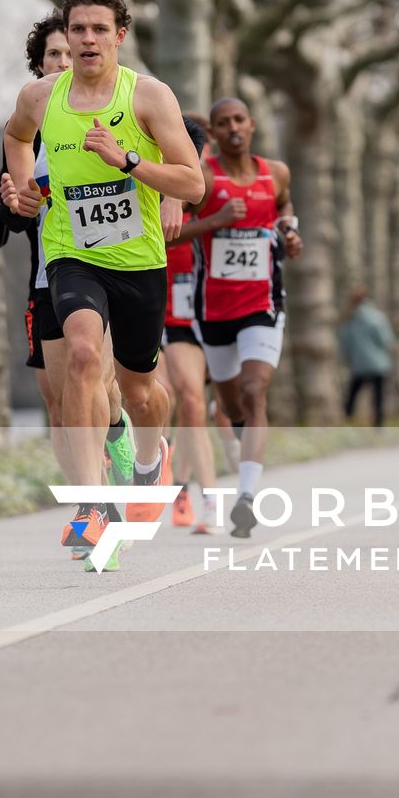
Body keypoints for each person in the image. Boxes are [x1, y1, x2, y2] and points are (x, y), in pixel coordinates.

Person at [1, 0, 206, 572]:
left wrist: (129, 161)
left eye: (98, 30)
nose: (86, 40)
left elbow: (193, 185)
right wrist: (23, 190)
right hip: (71, 251)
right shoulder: (41, 96)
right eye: (77, 30)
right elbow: (16, 136)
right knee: (85, 354)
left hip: (139, 260)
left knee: (140, 388)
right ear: (66, 36)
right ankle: (93, 505)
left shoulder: (149, 97)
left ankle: (150, 459)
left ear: (119, 36)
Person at [0, 12, 132, 490]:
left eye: (70, 53)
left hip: (110, 269)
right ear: (40, 65)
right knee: (58, 400)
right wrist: (13, 206)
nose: (65, 61)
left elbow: (180, 148)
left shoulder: (117, 110)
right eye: (54, 55)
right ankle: (89, 507)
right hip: (48, 278)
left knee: (100, 384)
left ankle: (118, 435)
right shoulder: (27, 134)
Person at [179, 97, 302, 537]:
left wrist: (289, 230)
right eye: (222, 122)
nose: (232, 127)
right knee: (230, 406)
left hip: (262, 304)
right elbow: (169, 232)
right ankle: (226, 415)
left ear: (250, 125)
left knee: (254, 392)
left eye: (238, 120)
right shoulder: (205, 180)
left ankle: (246, 498)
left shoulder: (277, 173)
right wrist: (214, 222)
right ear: (212, 132)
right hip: (213, 309)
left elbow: (285, 207)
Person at [158, 114, 216, 532]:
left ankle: (198, 497)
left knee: (192, 400)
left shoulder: (211, 188)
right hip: (142, 302)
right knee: (158, 400)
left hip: (187, 314)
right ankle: (157, 469)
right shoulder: (145, 173)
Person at [338, 285, 394, 427]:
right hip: (378, 363)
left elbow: (345, 344)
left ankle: (347, 420)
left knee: (352, 395)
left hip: (358, 364)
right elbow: (387, 340)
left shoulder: (349, 319)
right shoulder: (377, 317)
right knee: (378, 397)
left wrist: (351, 358)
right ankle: (379, 426)